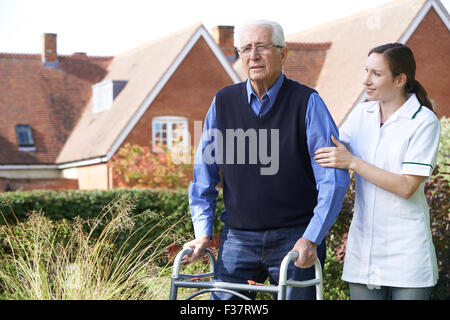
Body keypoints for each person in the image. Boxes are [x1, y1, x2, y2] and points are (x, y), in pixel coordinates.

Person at [183, 19, 349, 300]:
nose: (253, 55)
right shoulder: (223, 102)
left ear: (283, 54)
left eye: (262, 46)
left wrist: (311, 238)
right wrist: (203, 233)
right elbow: (204, 175)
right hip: (238, 237)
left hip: (295, 236)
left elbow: (332, 179)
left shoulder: (308, 103)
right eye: (245, 48)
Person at [314, 43, 440, 300]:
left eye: (376, 74)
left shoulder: (424, 121)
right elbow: (329, 152)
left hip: (407, 252)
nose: (365, 80)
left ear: (400, 80)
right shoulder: (362, 114)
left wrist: (353, 163)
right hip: (364, 250)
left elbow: (406, 186)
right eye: (366, 71)